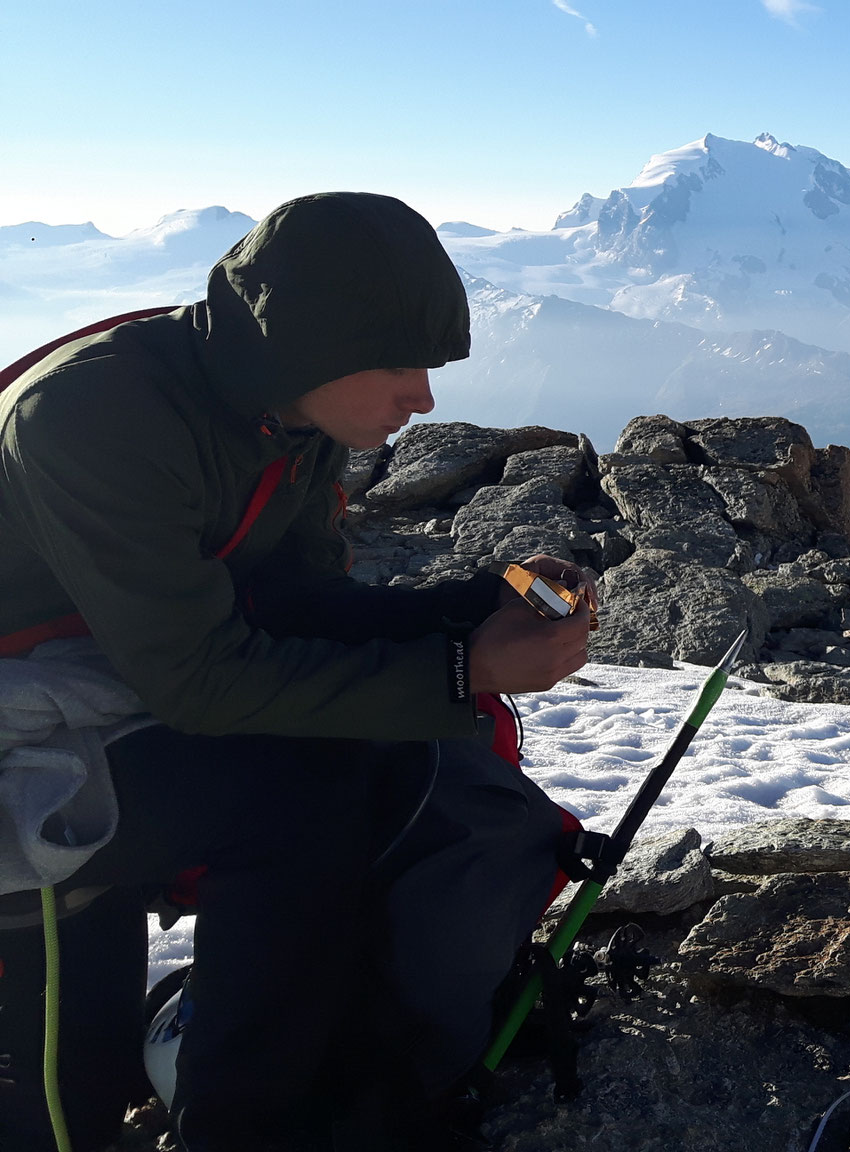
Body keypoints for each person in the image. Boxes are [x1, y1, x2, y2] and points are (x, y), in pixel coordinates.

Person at [0, 192, 593, 1151]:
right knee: (289, 799)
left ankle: (300, 1090)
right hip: (25, 741)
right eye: (402, 364)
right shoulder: (91, 416)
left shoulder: (283, 415)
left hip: (105, 694)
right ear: (309, 342)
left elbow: (289, 602)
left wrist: (470, 605)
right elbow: (201, 680)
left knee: (361, 769)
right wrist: (459, 667)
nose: (424, 399)